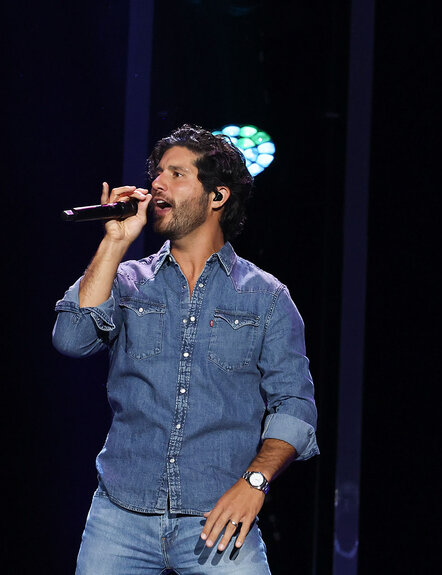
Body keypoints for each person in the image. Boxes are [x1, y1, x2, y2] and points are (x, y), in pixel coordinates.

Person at [53, 124, 319, 574]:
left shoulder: (267, 297)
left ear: (217, 197)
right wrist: (114, 242)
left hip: (216, 518)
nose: (157, 183)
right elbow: (70, 339)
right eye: (157, 172)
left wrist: (255, 483)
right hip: (121, 513)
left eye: (177, 174)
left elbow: (294, 404)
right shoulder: (127, 280)